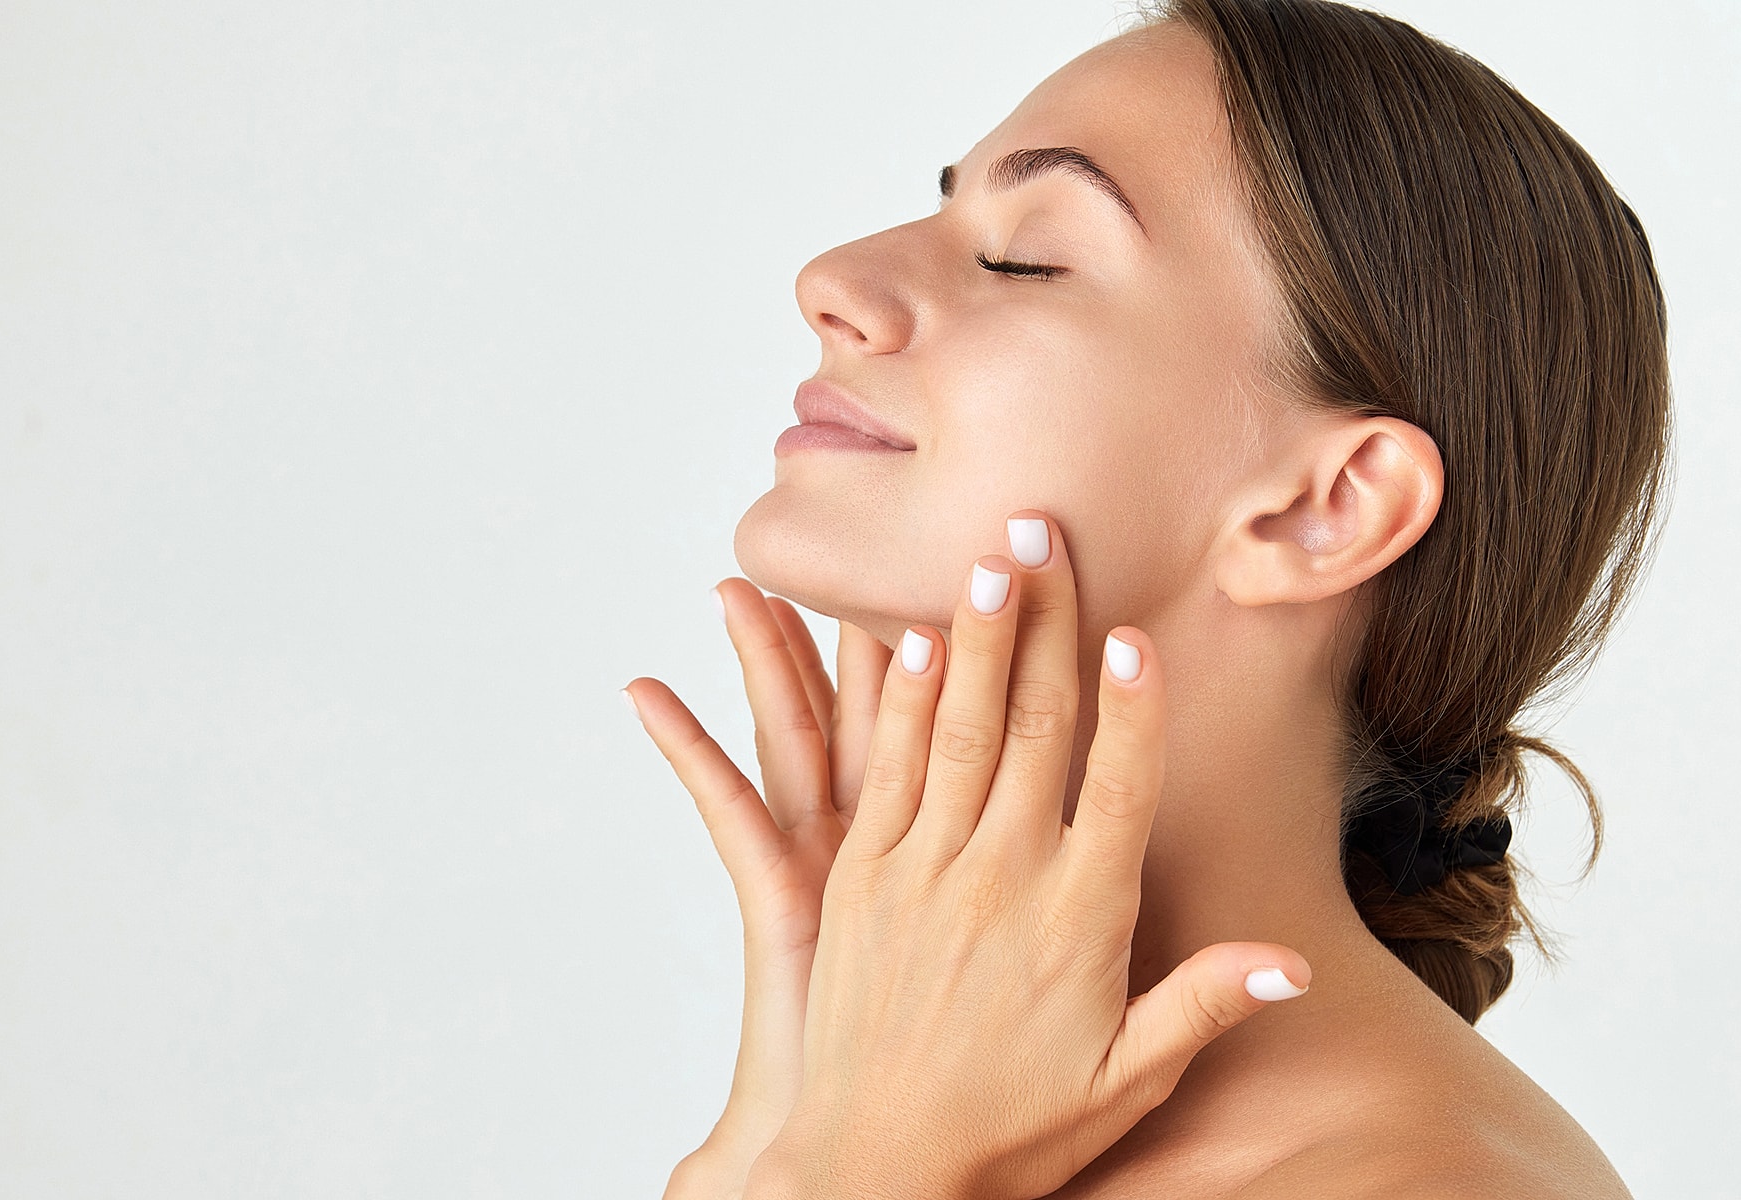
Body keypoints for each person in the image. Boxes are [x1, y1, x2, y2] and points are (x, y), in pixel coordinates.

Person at [625, 0, 1668, 1195]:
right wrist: (794, 1115)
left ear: (1324, 505)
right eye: (942, 204)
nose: (832, 279)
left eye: (1028, 256)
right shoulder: (863, 1097)